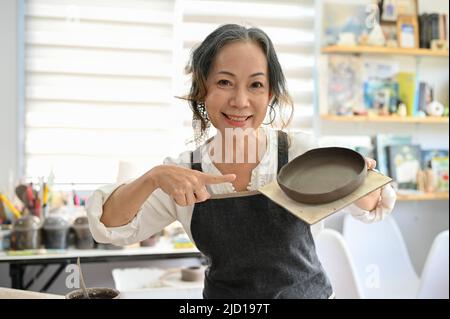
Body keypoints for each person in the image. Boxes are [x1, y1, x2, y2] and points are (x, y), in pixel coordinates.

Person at [86, 24, 396, 299]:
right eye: (224, 82)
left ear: (270, 93)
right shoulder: (183, 172)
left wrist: (365, 186)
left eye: (255, 85)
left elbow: (369, 207)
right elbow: (110, 228)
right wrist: (152, 177)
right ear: (202, 89)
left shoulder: (300, 153)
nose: (240, 101)